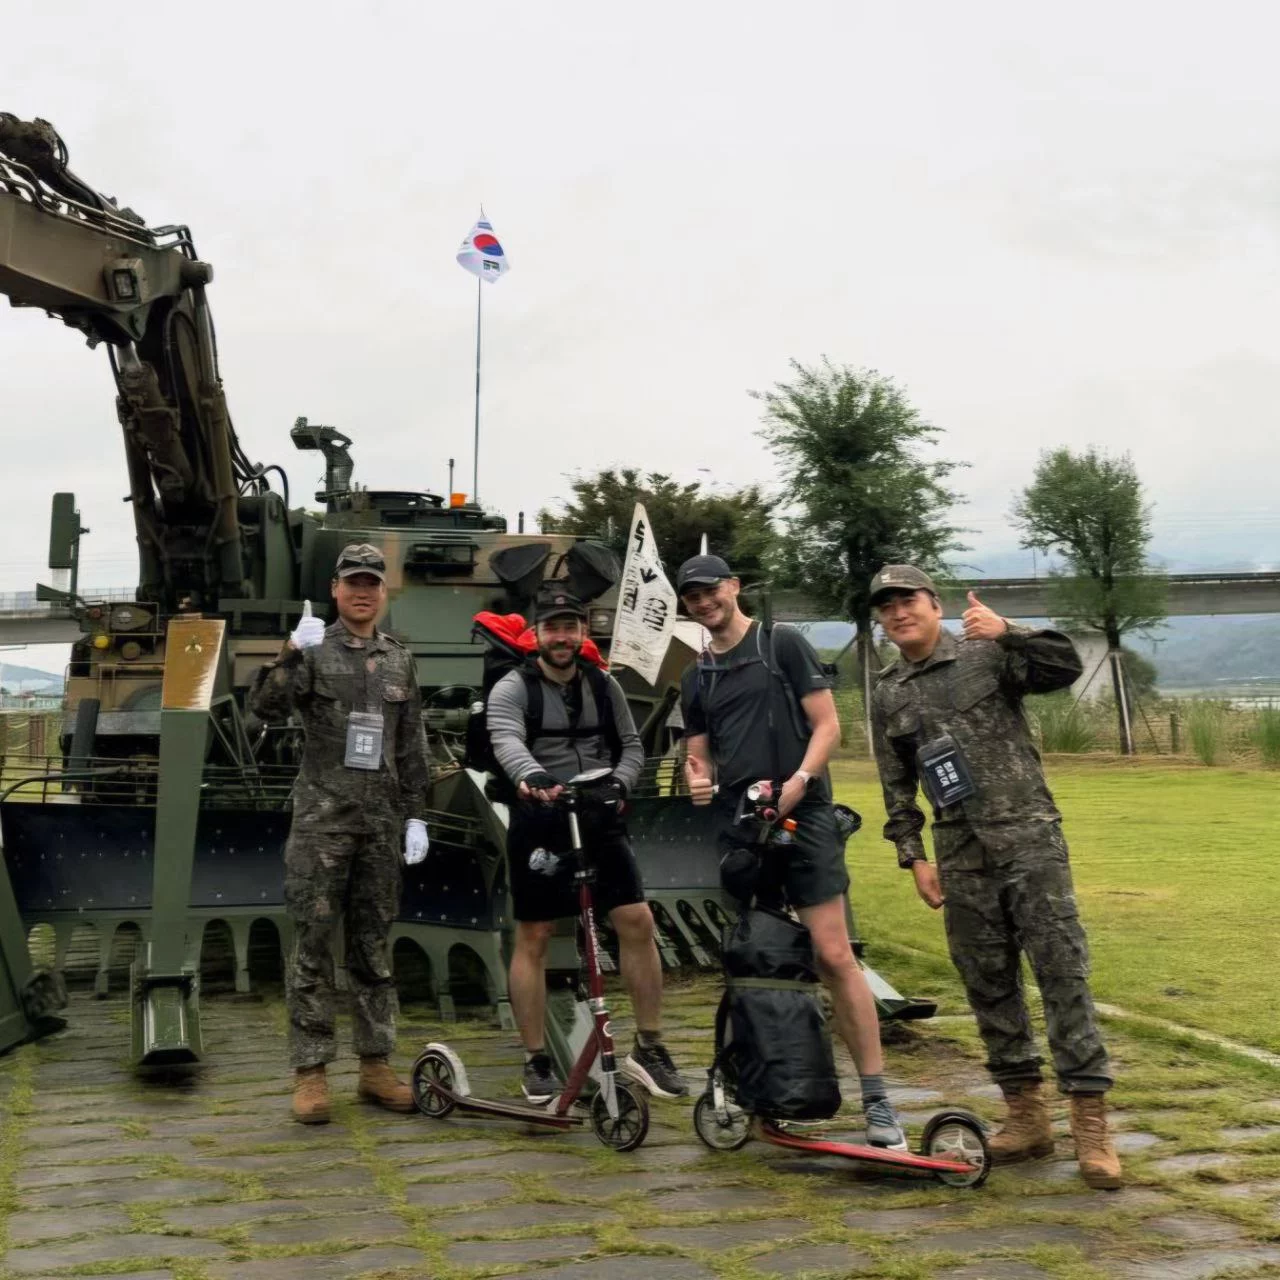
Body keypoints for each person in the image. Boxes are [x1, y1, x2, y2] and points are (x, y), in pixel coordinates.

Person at [866, 564, 1121, 1189]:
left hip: (1029, 839)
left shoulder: (987, 653)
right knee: (988, 983)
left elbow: (1062, 667)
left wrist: (1008, 629)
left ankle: (1092, 1128)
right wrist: (914, 855)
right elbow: (896, 784)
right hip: (959, 852)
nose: (899, 612)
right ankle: (1027, 1118)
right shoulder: (888, 690)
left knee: (1062, 972)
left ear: (935, 604)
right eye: (887, 606)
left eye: (910, 600)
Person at [676, 553, 908, 1150]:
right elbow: (698, 753)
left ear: (732, 588)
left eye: (710, 591)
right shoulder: (696, 674)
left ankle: (879, 1102)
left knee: (832, 955)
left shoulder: (782, 645)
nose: (703, 603)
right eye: (691, 596)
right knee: (757, 960)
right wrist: (695, 779)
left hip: (804, 816)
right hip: (744, 831)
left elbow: (829, 726)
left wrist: (799, 782)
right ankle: (772, 1087)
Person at [250, 543, 431, 1124]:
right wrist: (288, 653)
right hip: (322, 821)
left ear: (384, 592)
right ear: (334, 589)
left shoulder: (400, 660)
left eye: (372, 583)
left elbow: (411, 744)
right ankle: (311, 1073)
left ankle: (376, 1066)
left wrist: (416, 814)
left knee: (373, 946)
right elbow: (266, 708)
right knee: (312, 945)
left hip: (380, 823)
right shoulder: (312, 649)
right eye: (353, 582)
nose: (363, 591)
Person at [487, 583, 687, 1103]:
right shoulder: (513, 687)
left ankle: (650, 1043)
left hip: (599, 812)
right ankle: (534, 1058)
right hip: (541, 813)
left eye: (570, 627)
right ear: (536, 634)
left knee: (636, 919)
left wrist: (621, 781)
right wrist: (532, 776)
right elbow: (504, 737)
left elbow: (632, 743)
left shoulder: (604, 686)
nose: (561, 636)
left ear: (581, 634)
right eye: (552, 627)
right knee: (534, 933)